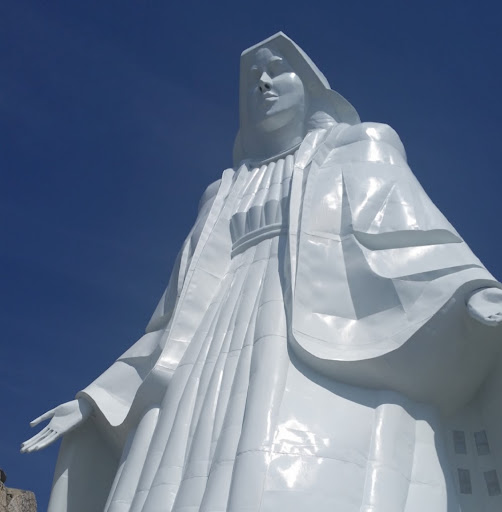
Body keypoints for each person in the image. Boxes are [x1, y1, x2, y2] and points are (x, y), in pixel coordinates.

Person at [22, 32, 502, 512]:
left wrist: (471, 290)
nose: (264, 84)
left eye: (277, 70)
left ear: (311, 87)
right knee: (187, 471)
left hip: (324, 327)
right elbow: (170, 321)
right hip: (211, 346)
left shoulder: (357, 145)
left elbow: (409, 235)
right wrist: (100, 397)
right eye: (253, 78)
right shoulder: (222, 192)